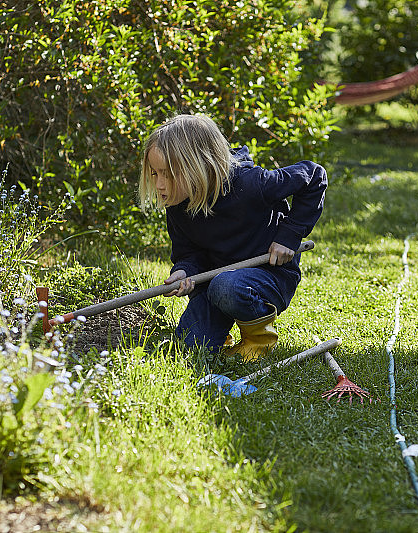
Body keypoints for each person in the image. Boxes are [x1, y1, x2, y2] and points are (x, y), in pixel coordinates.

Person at [138, 114, 327, 361]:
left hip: (268, 277)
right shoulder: (178, 206)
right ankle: (219, 330)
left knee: (226, 286)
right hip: (214, 286)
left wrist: (288, 236)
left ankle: (258, 338)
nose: (160, 185)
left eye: (169, 174)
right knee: (190, 349)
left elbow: (314, 176)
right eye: (154, 174)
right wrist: (185, 272)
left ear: (199, 166)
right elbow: (189, 254)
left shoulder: (250, 184)